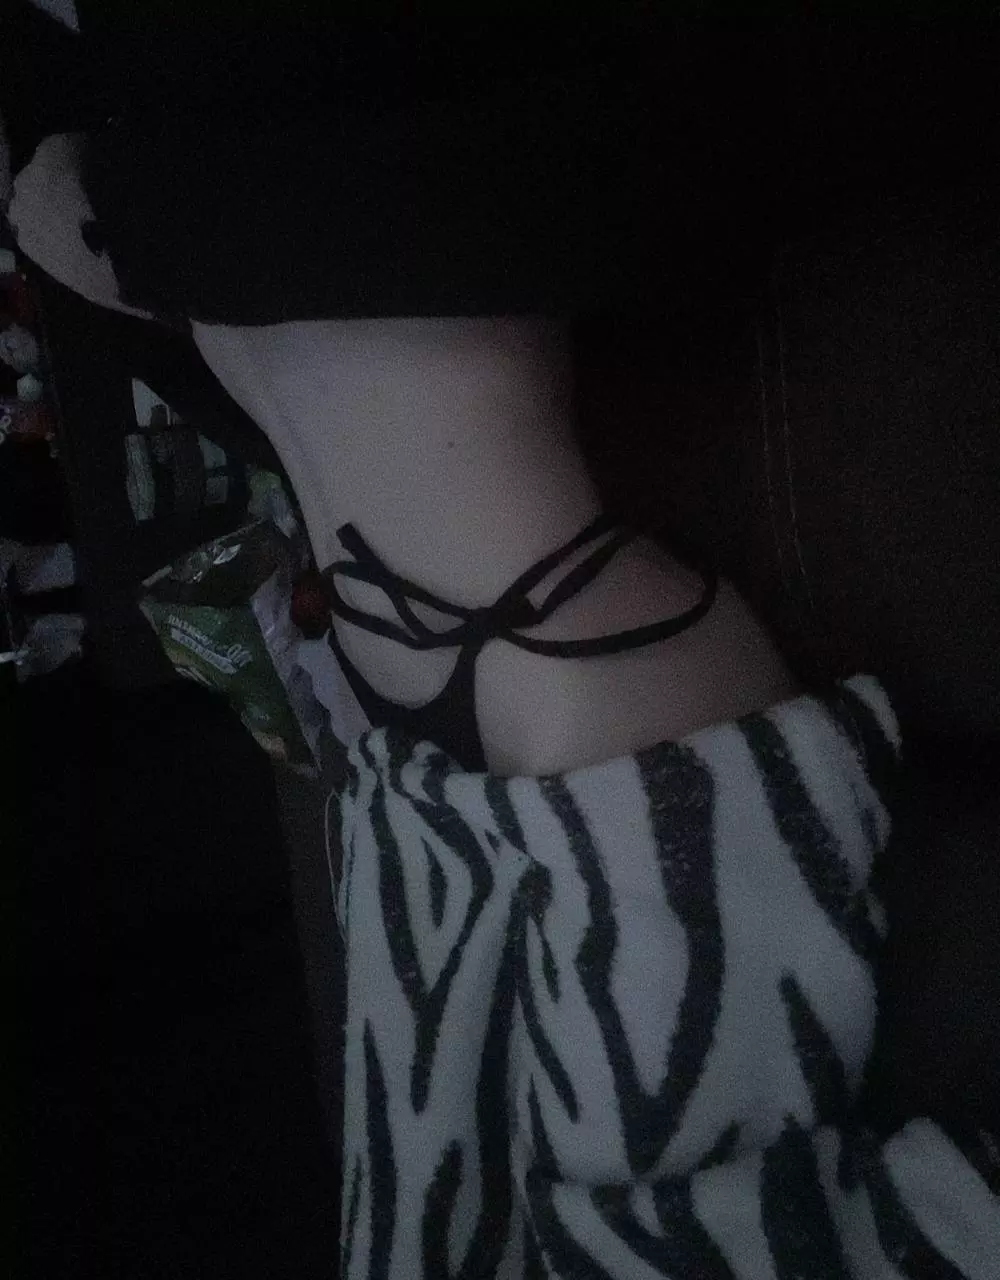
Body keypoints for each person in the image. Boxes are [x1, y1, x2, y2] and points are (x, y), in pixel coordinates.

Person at [8, 111, 1000, 1280]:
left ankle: (240, 328)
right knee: (240, 166)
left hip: (446, 752)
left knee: (179, 183)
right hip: (590, 747)